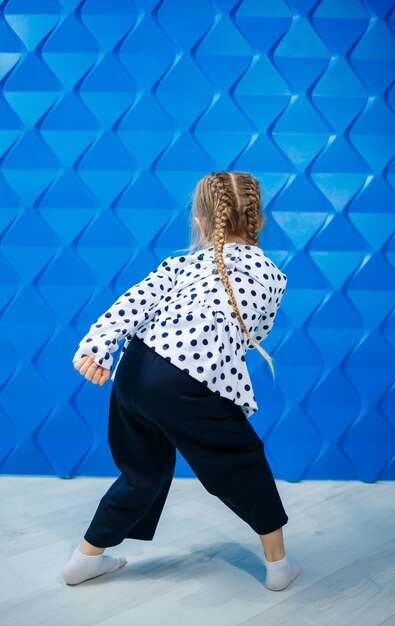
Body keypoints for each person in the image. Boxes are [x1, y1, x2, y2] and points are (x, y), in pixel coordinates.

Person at [62, 171, 301, 591]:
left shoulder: (179, 264)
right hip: (185, 379)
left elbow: (130, 305)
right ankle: (279, 566)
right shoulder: (271, 277)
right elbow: (253, 334)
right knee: (242, 462)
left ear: (202, 223)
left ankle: (85, 558)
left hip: (135, 370)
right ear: (259, 222)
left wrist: (95, 348)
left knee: (142, 473)